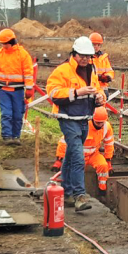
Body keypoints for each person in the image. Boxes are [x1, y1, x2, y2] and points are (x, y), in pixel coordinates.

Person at [46, 36, 105, 212]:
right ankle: (80, 196)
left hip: (83, 119)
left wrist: (101, 97)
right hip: (68, 119)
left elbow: (97, 88)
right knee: (78, 157)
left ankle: (67, 193)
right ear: (74, 54)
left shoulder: (91, 70)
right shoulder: (63, 71)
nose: (85, 59)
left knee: (70, 156)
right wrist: (77, 92)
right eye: (82, 56)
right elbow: (53, 93)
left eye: (88, 56)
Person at [0, 29, 34, 145]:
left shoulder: (23, 54)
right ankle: (7, 137)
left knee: (18, 114)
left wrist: (29, 88)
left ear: (11, 41)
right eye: (2, 44)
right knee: (7, 114)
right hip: (3, 90)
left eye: (5, 43)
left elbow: (28, 72)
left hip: (18, 90)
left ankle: (16, 136)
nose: (3, 46)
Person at [52, 107, 114, 192]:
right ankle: (72, 192)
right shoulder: (83, 126)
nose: (100, 125)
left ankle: (102, 190)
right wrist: (59, 159)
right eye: (98, 122)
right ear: (92, 119)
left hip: (93, 154)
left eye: (102, 123)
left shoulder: (107, 127)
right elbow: (64, 141)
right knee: (75, 171)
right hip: (79, 154)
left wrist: (108, 160)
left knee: (103, 166)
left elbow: (109, 143)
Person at [90, 32, 114, 98]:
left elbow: (110, 71)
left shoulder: (104, 58)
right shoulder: (87, 58)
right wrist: (97, 77)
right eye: (93, 44)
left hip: (103, 89)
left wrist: (107, 77)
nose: (96, 47)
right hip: (92, 89)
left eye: (98, 45)